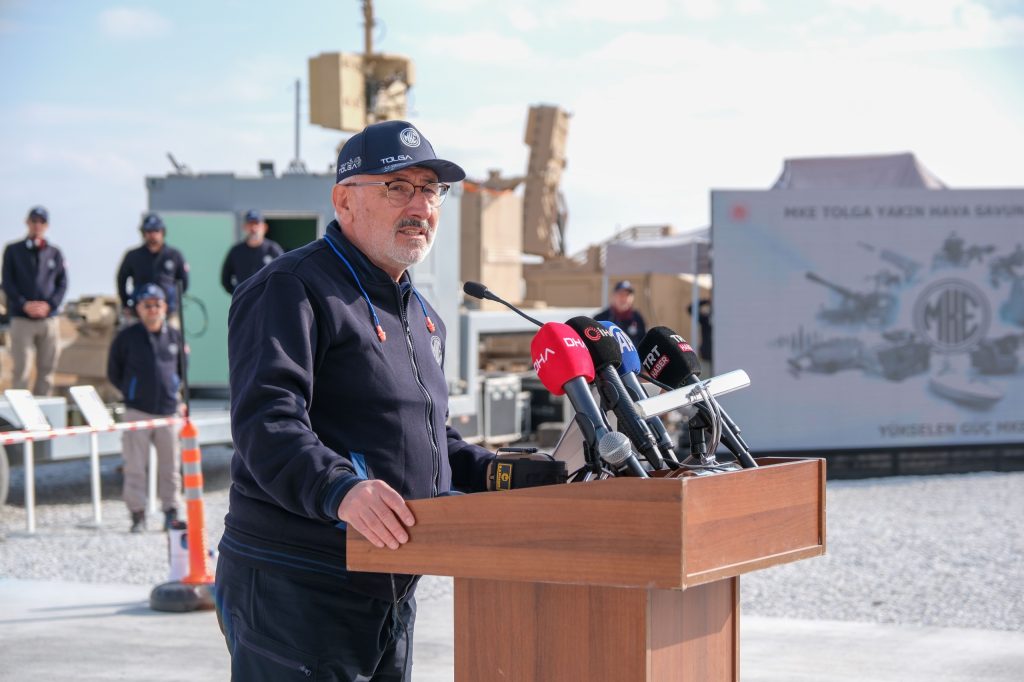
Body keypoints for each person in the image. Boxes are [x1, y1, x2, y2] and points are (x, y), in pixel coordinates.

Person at [215, 119, 495, 681]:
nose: (420, 205)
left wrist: (523, 474)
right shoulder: (290, 289)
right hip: (298, 582)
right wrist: (341, 488)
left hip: (388, 583)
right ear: (344, 200)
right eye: (398, 188)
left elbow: (428, 441)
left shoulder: (421, 315)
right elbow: (268, 424)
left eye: (431, 190)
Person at [106, 283, 185, 533]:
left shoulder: (174, 337)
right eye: (147, 305)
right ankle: (137, 515)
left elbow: (182, 369)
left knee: (170, 468)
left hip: (168, 413)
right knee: (135, 467)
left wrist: (174, 393)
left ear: (165, 307)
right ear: (139, 309)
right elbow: (114, 371)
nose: (153, 310)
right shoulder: (126, 338)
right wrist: (131, 392)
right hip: (137, 413)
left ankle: (171, 512)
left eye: (157, 304)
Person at [2, 206, 68, 396]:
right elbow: (8, 282)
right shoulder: (13, 250)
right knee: (21, 369)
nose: (37, 225)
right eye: (34, 221)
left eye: (41, 222)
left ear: (46, 225)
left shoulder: (54, 253)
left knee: (47, 369)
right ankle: (20, 414)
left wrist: (49, 305)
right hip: (22, 319)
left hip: (48, 320)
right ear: (27, 223)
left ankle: (43, 410)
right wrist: (24, 304)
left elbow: (62, 283)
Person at [116, 213, 189, 320]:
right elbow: (121, 279)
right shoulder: (133, 255)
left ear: (162, 232)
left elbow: (184, 283)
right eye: (149, 231)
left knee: (174, 334)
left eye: (156, 230)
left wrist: (172, 302)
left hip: (168, 312)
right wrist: (126, 303)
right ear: (143, 233)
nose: (153, 234)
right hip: (139, 312)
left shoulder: (174, 255)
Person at [220, 209, 284, 294]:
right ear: (244, 227)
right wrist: (238, 293)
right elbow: (225, 279)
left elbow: (284, 274)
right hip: (244, 301)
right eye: (250, 224)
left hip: (268, 301)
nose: (253, 228)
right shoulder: (236, 251)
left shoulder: (273, 249)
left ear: (264, 227)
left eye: (257, 224)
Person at [595, 280, 647, 346]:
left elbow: (643, 343)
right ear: (613, 296)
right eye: (621, 294)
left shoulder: (637, 318)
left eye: (627, 295)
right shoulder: (601, 318)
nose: (624, 299)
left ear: (632, 298)